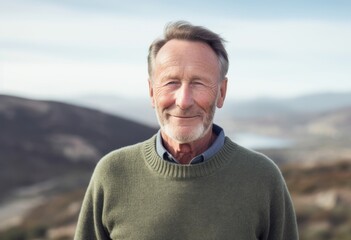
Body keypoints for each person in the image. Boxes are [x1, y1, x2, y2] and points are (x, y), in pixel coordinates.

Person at [75, 21, 299, 240]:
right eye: (171, 82)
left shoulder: (262, 177)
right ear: (152, 92)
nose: (183, 101)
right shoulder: (112, 173)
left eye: (198, 83)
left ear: (221, 92)